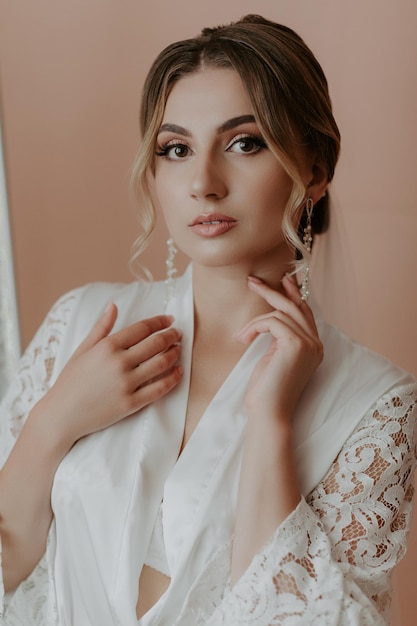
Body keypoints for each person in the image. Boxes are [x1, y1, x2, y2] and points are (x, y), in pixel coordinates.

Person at [0, 14, 415, 626]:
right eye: (176, 149)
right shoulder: (81, 324)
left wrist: (270, 420)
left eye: (245, 143)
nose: (202, 183)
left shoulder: (378, 406)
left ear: (317, 171)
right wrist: (55, 419)